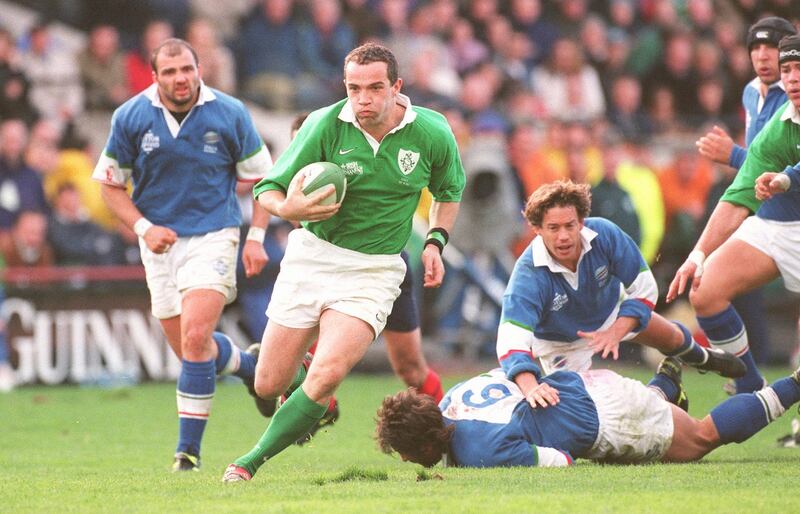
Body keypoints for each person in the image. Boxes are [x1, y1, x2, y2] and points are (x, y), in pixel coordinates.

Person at [222, 42, 465, 482]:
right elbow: (267, 189)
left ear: (397, 87)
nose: (363, 99)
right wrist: (288, 208)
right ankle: (296, 390)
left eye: (374, 88)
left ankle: (247, 463)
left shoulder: (432, 131)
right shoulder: (323, 124)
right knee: (267, 384)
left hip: (375, 270)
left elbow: (450, 191)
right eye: (354, 89)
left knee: (328, 371)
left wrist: (434, 242)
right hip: (312, 258)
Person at [92, 38, 274, 472]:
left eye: (187, 70)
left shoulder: (229, 112)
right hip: (159, 244)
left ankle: (186, 454)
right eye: (170, 72)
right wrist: (144, 227)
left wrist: (256, 237)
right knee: (195, 351)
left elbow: (265, 179)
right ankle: (250, 368)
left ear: (199, 69)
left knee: (195, 339)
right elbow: (109, 185)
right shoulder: (131, 116)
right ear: (154, 77)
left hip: (215, 234)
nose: (180, 79)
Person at [496, 180, 745, 409]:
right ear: (537, 229)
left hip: (611, 313)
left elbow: (645, 288)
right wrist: (531, 388)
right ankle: (665, 387)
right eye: (553, 228)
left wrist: (614, 332)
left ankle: (703, 358)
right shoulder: (527, 276)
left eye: (569, 225)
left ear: (581, 221)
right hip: (560, 343)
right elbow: (511, 342)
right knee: (591, 410)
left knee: (669, 337)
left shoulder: (605, 235)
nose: (563, 236)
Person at [668, 28, 800, 396]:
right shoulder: (774, 122)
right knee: (704, 289)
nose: (791, 77)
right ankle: (748, 383)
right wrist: (697, 255)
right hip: (774, 224)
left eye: (796, 66)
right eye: (787, 69)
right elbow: (738, 193)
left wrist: (784, 180)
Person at [375, 362, 800, 468]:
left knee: (701, 439)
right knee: (651, 407)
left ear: (428, 443)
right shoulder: (450, 397)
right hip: (582, 382)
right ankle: (662, 386)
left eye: (407, 453)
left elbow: (562, 462)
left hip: (604, 418)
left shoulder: (480, 449)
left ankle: (794, 384)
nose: (408, 461)